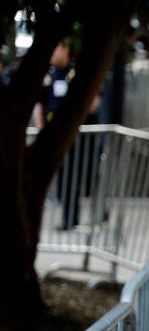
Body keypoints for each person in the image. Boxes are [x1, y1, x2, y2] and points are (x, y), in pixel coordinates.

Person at [35, 41, 101, 229]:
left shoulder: (76, 74)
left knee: (88, 177)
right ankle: (69, 219)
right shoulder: (48, 76)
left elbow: (95, 101)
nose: (53, 53)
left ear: (66, 49)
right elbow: (40, 105)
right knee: (65, 180)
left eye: (56, 48)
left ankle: (99, 215)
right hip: (57, 140)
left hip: (80, 139)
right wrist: (42, 131)